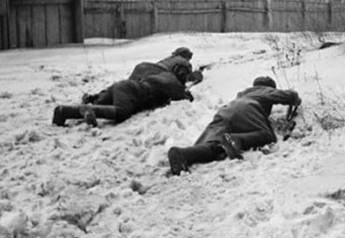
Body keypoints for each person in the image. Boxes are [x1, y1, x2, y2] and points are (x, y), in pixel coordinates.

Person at [167, 76, 301, 175]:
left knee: (215, 146)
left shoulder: (242, 93)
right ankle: (237, 139)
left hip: (225, 111)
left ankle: (183, 154)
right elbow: (289, 96)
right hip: (248, 108)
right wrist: (295, 98)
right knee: (267, 136)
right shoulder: (264, 90)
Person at [53, 60, 194, 127]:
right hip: (133, 92)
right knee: (122, 112)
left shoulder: (154, 71)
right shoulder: (172, 80)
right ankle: (89, 109)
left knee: (101, 105)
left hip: (121, 86)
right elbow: (186, 97)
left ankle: (63, 111)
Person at [82, 47, 201, 104]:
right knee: (136, 93)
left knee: (127, 87)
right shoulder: (183, 62)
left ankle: (96, 98)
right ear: (186, 56)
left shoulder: (168, 58)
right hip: (159, 73)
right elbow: (182, 76)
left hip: (144, 67)